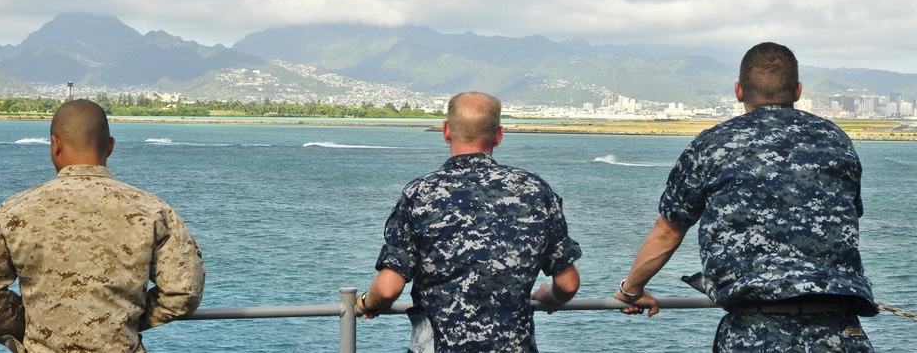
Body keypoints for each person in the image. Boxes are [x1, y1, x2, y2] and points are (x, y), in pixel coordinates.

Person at [615, 42, 877, 352]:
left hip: (754, 334)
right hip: (841, 332)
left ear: (739, 91)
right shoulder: (836, 140)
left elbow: (667, 231)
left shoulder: (712, 145)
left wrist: (632, 290)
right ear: (797, 91)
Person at [0, 99, 205, 353]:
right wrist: (123, 321)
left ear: (56, 145)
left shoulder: (13, 212)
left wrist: (34, 326)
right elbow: (184, 292)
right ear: (110, 147)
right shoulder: (153, 211)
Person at [356, 91, 582, 352]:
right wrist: (548, 297)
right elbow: (568, 284)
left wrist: (365, 303)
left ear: (446, 131)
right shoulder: (535, 190)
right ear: (498, 135)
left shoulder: (420, 193)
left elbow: (386, 290)